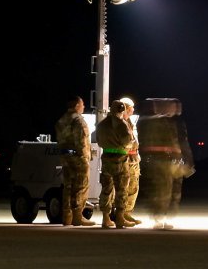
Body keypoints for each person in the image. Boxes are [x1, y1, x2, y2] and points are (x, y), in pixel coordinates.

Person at [137, 98, 195, 229]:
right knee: (162, 191)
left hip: (172, 161)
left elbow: (183, 142)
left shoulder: (172, 122)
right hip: (162, 161)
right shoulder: (154, 122)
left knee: (172, 191)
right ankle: (159, 218)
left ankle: (165, 217)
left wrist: (187, 160)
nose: (177, 109)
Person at [54, 95, 95, 226]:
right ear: (77, 105)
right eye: (82, 104)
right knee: (81, 186)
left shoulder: (62, 120)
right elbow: (82, 142)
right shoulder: (78, 121)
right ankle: (78, 216)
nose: (83, 106)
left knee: (68, 187)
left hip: (65, 157)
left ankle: (67, 217)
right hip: (78, 157)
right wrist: (85, 158)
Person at [95, 99, 134, 228]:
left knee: (106, 189)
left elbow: (99, 141)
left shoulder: (102, 124)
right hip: (120, 159)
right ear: (122, 110)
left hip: (106, 157)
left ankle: (106, 219)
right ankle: (120, 218)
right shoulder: (122, 124)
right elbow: (129, 141)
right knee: (121, 189)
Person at [117, 96, 143, 226]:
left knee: (133, 187)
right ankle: (120, 215)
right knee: (123, 188)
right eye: (131, 107)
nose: (133, 110)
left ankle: (127, 213)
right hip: (125, 159)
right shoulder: (119, 123)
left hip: (133, 159)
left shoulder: (131, 122)